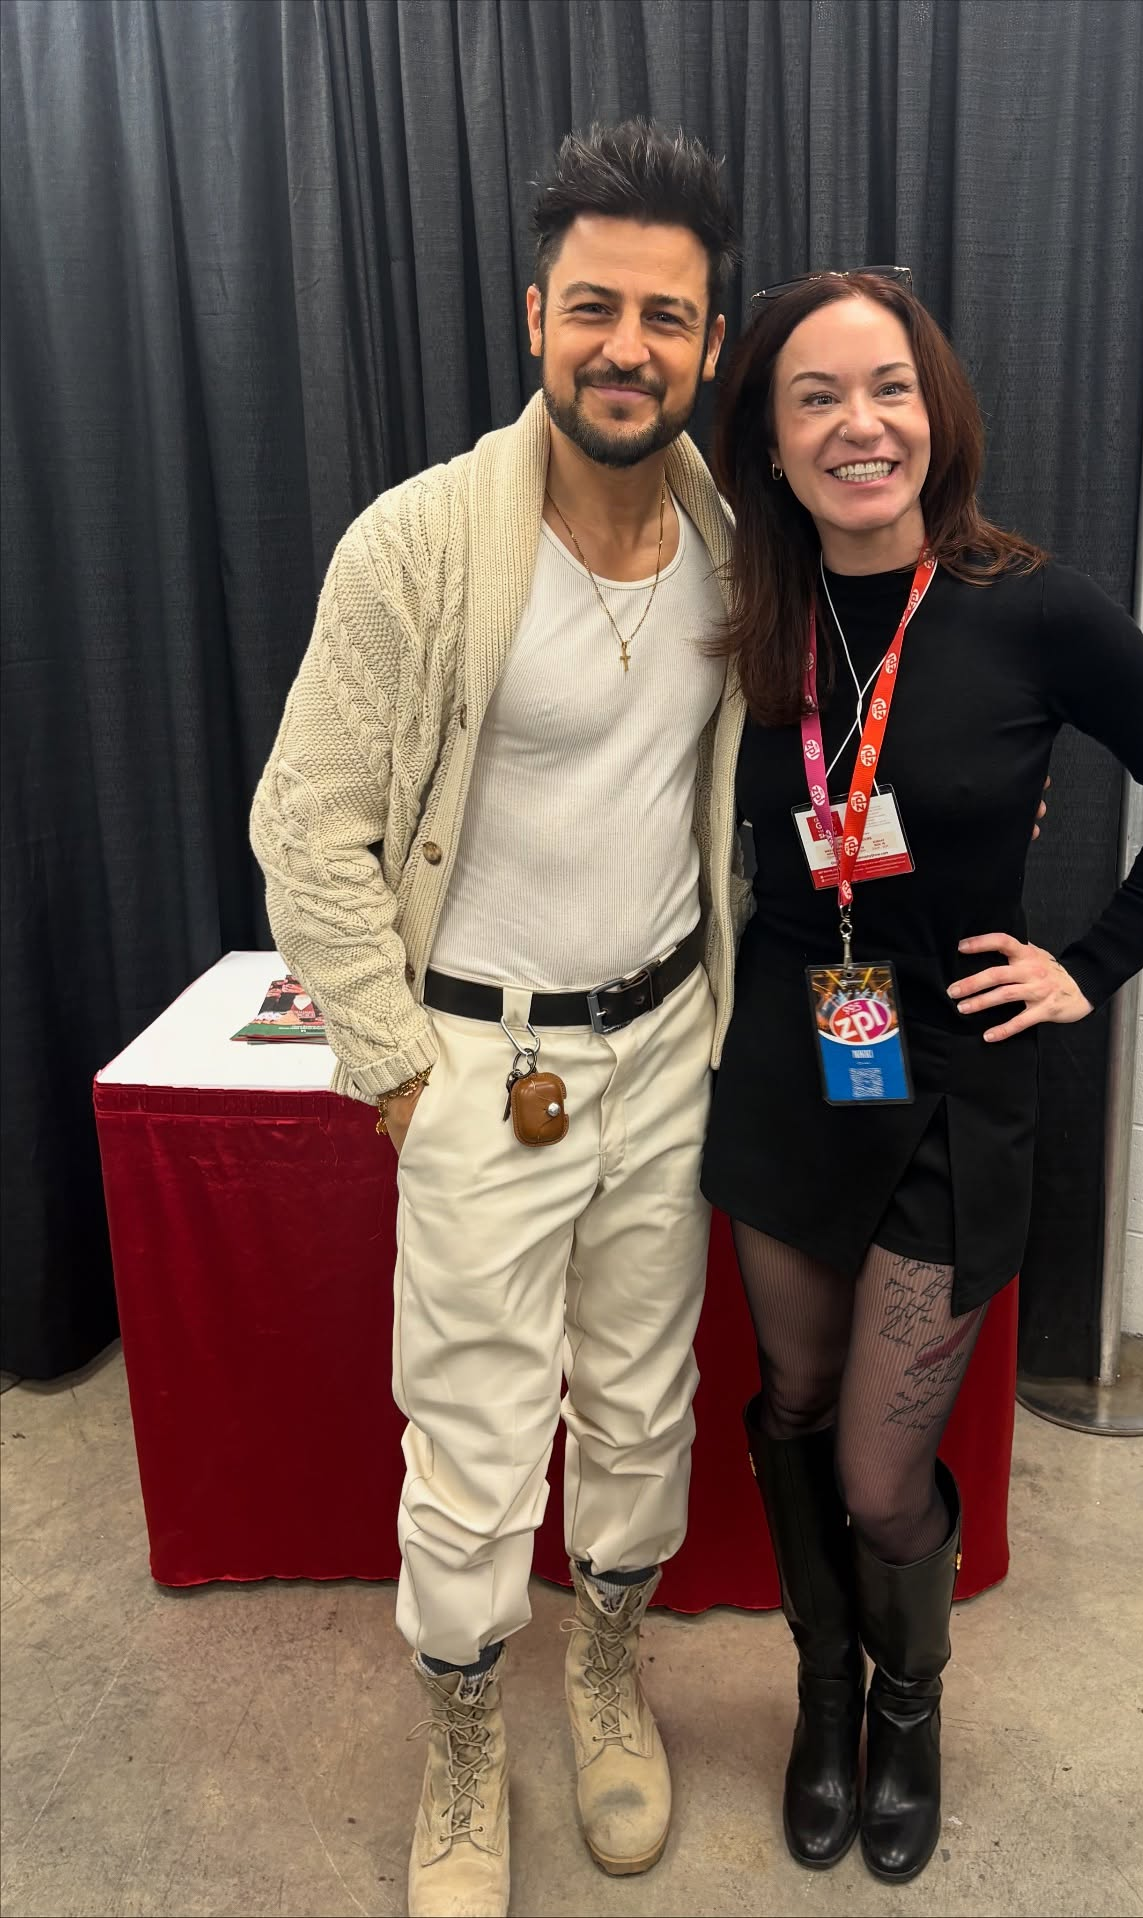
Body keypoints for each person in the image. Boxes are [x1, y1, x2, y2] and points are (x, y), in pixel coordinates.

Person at [250, 121, 746, 1918]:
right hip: (484, 1060)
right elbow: (304, 823)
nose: (629, 346)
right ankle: (464, 1732)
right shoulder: (422, 545)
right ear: (536, 314)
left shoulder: (725, 534)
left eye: (667, 317)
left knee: (641, 1404)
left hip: (667, 1048)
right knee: (470, 1438)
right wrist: (398, 1071)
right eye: (594, 306)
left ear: (710, 342)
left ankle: (605, 1663)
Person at [699, 270, 1143, 1886]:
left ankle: (908, 1703)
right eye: (815, 397)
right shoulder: (749, 611)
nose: (858, 424)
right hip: (793, 1060)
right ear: (772, 443)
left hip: (950, 1078)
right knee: (794, 1405)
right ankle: (823, 1694)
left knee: (880, 1469)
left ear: (936, 414)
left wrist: (1091, 960)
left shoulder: (1034, 607)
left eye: (888, 388)